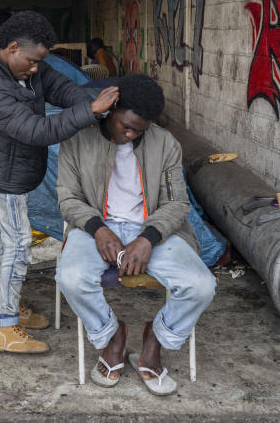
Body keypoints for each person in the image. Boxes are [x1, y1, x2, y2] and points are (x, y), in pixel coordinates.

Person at [55, 73, 215, 395]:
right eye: (125, 126)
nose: (130, 135)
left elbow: (176, 202)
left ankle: (154, 339)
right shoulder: (78, 139)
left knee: (201, 285)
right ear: (111, 109)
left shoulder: (165, 143)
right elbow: (68, 197)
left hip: (152, 229)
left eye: (139, 130)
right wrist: (98, 229)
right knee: (70, 277)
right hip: (95, 226)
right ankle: (112, 336)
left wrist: (148, 238)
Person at [0, 11, 119, 353]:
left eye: (41, 62)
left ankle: (8, 303)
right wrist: (90, 112)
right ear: (11, 48)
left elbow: (62, 88)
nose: (37, 69)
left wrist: (90, 104)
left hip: (21, 167)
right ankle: (4, 327)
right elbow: (35, 130)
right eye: (33, 61)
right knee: (18, 243)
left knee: (13, 242)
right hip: (4, 173)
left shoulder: (29, 66)